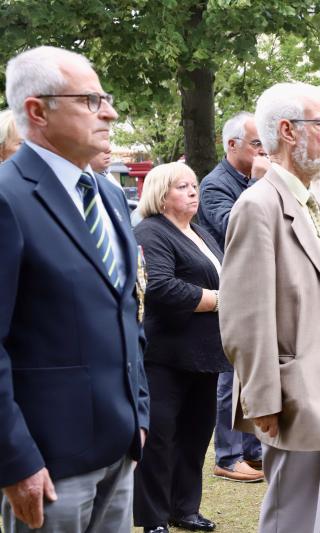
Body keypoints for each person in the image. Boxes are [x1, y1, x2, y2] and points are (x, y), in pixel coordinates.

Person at [219, 82, 320, 533]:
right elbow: (244, 317)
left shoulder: (316, 202)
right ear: (289, 131)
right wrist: (263, 399)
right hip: (298, 379)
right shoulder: (258, 205)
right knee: (294, 511)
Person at [0, 46, 148, 532]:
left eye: (104, 98)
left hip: (119, 447)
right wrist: (15, 458)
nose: (110, 111)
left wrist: (139, 413)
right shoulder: (7, 198)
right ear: (37, 111)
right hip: (49, 463)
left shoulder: (105, 191)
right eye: (89, 100)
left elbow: (125, 308)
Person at [131, 162, 227, 533]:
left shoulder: (200, 232)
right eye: (182, 186)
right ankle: (154, 518)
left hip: (204, 354)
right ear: (161, 193)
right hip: (165, 355)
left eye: (194, 185)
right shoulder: (151, 231)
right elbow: (160, 287)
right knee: (159, 439)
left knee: (195, 435)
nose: (192, 191)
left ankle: (185, 507)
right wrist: (217, 299)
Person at [197, 111, 267, 483]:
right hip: (231, 290)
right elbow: (233, 228)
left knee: (253, 374)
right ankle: (227, 455)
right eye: (257, 143)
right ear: (232, 145)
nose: (263, 150)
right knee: (230, 377)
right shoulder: (215, 184)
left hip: (257, 287)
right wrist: (258, 186)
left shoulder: (251, 179)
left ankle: (253, 450)